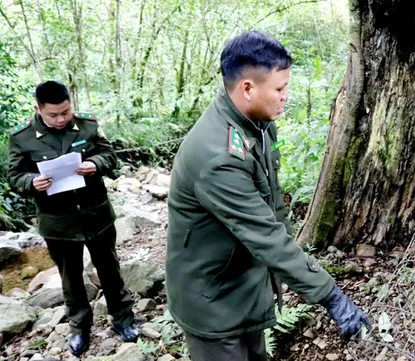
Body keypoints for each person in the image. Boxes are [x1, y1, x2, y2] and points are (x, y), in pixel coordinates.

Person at [166, 30, 370, 361]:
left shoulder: (257, 126)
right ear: (248, 88)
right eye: (279, 88)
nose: (286, 96)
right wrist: (331, 296)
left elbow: (273, 205)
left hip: (244, 284)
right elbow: (265, 236)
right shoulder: (218, 155)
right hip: (213, 301)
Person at [7, 81, 139, 356]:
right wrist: (32, 181)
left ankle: (124, 319)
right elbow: (14, 176)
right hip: (58, 222)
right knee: (71, 278)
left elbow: (109, 155)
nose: (61, 119)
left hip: (95, 213)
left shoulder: (87, 125)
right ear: (38, 109)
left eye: (65, 112)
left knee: (110, 270)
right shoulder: (22, 137)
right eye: (53, 115)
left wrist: (95, 164)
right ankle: (80, 328)